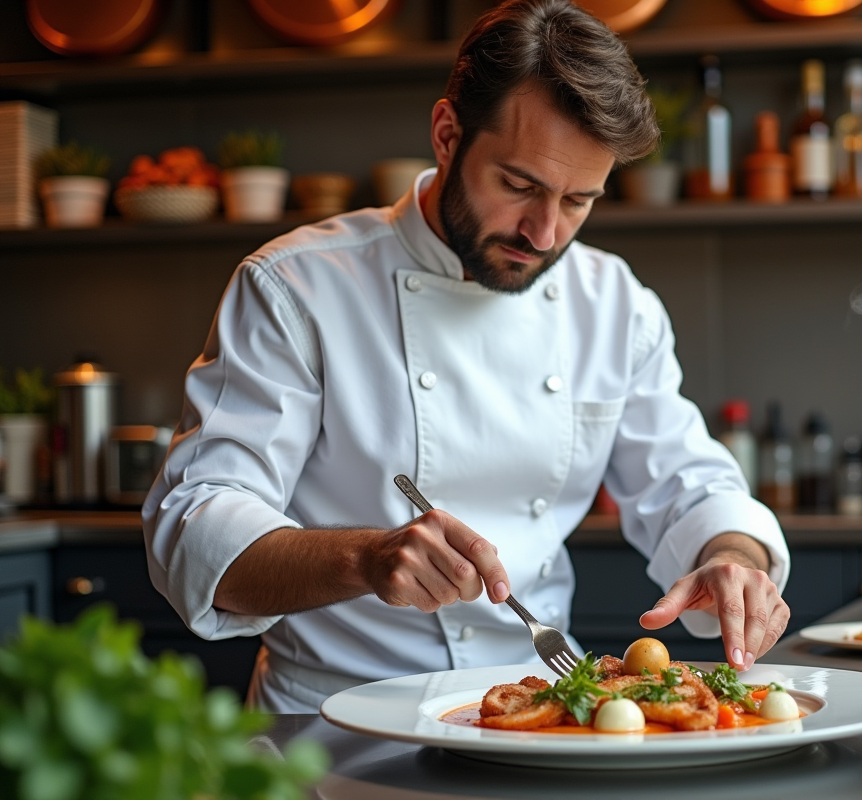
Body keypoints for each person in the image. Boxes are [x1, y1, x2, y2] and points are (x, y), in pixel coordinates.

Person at [142, 0, 791, 713]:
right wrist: (365, 558)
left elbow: (690, 487)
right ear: (447, 134)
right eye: (519, 186)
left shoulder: (614, 305)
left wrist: (736, 560)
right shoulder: (295, 286)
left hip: (538, 711)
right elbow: (195, 526)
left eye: (579, 200)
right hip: (332, 724)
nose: (545, 234)